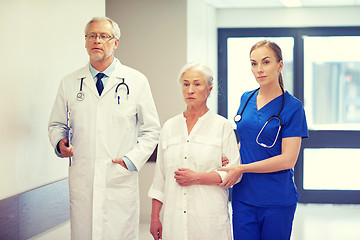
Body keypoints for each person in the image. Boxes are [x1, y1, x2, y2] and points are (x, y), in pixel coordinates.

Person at [48, 16, 160, 240]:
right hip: (83, 179)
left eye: (103, 36)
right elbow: (57, 124)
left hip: (118, 178)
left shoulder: (136, 80)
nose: (97, 40)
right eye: (91, 36)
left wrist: (130, 160)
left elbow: (152, 130)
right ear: (85, 42)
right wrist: (60, 144)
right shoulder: (69, 82)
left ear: (115, 42)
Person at [218, 40, 308, 240]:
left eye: (266, 62)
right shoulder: (246, 98)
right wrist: (234, 160)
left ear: (280, 65)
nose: (259, 69)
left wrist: (243, 168)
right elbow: (246, 141)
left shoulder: (293, 107)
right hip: (244, 196)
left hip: (277, 198)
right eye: (253, 63)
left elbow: (288, 159)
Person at [148, 62, 241, 240]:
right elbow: (160, 178)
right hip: (174, 221)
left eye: (197, 84)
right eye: (186, 84)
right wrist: (154, 218)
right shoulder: (169, 127)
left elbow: (234, 174)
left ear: (209, 89)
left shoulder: (222, 126)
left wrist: (196, 177)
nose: (190, 89)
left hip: (209, 221)